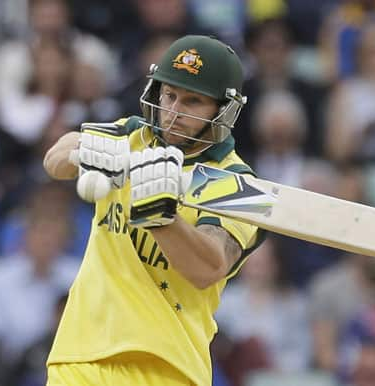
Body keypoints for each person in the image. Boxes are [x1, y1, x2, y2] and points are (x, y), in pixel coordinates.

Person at [42, 35, 264, 386]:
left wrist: (162, 217)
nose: (173, 113)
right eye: (169, 95)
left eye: (193, 102)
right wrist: (82, 150)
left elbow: (209, 267)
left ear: (223, 111)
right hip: (80, 355)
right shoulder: (130, 135)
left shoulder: (241, 185)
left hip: (167, 368)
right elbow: (53, 160)